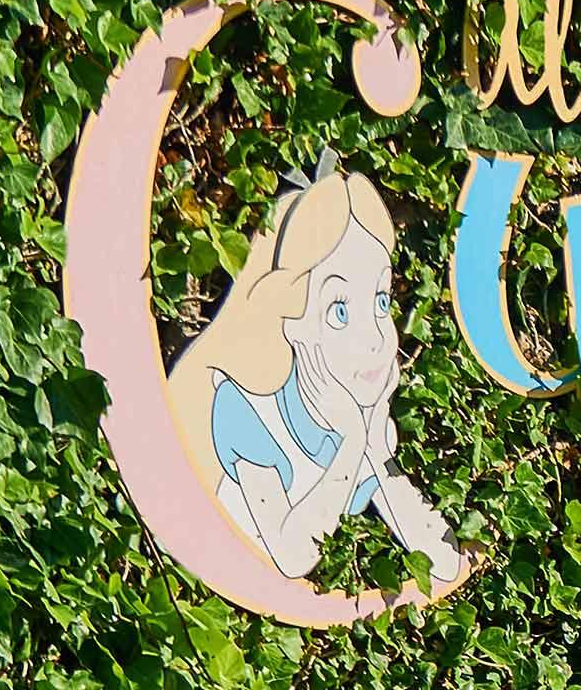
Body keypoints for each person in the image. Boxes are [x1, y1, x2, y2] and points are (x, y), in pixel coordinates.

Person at [164, 157, 466, 586]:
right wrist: (354, 443)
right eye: (339, 310)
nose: (375, 337)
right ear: (291, 317)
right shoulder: (246, 409)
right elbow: (291, 555)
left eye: (380, 301)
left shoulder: (357, 418)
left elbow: (442, 562)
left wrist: (376, 448)